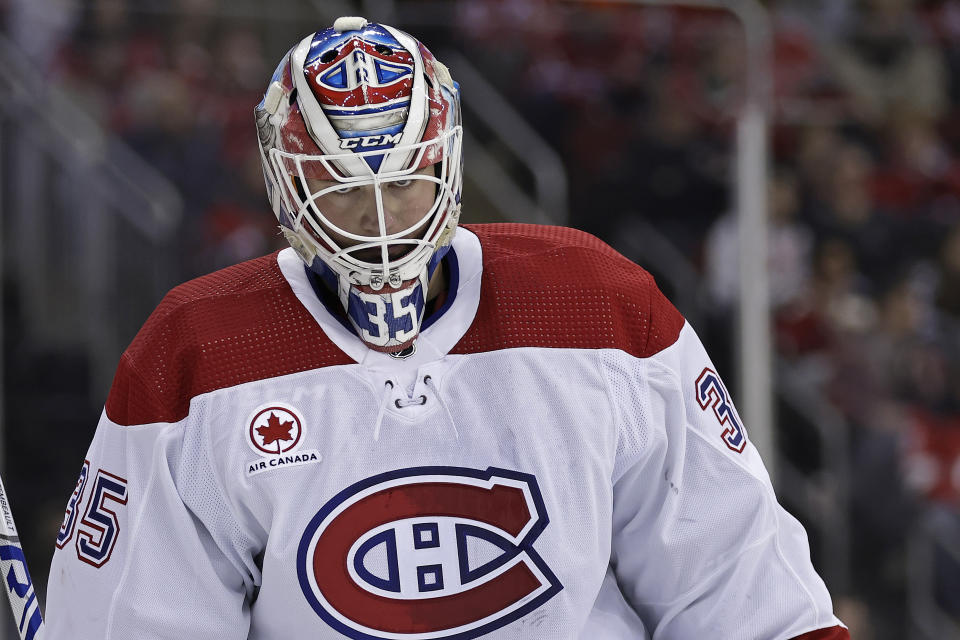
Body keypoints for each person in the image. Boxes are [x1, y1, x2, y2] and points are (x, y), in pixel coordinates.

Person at [44, 17, 850, 640]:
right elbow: (135, 615)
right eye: (342, 187)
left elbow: (737, 584)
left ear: (447, 160)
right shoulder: (194, 355)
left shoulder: (597, 303)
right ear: (286, 183)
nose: (379, 221)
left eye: (404, 181)